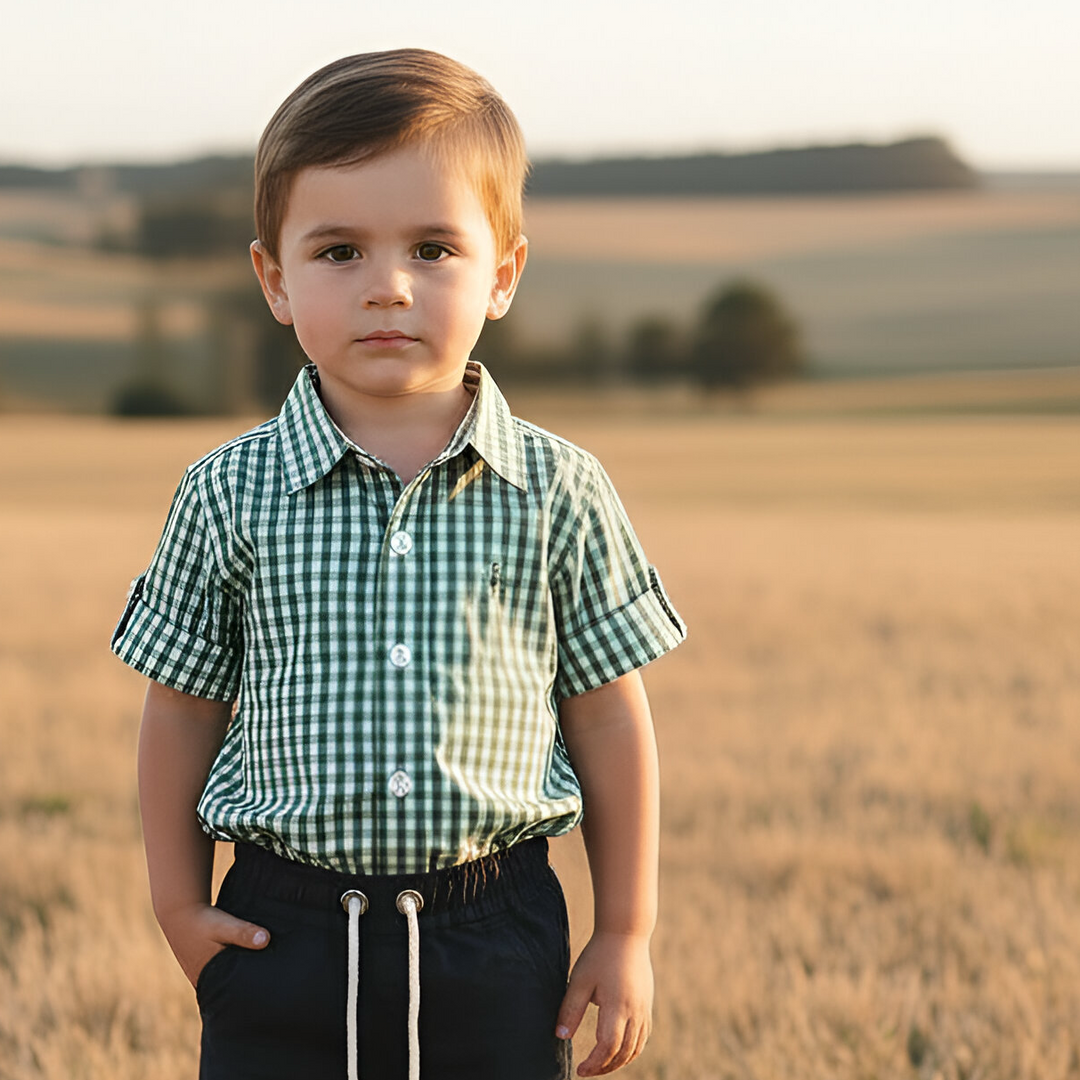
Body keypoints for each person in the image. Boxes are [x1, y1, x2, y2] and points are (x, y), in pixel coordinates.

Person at [111, 48, 686, 1080]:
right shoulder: (225, 491)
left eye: (431, 247)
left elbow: (606, 709)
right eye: (339, 252)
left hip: (498, 933)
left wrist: (626, 930)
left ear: (502, 273)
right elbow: (183, 707)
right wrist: (176, 902)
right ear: (274, 279)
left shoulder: (560, 490)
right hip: (277, 933)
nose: (388, 286)